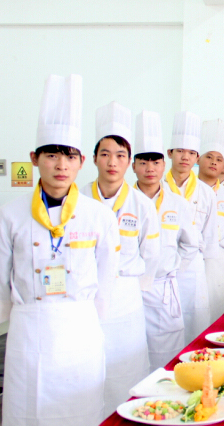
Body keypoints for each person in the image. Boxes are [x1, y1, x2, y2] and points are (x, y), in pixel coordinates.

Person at [0, 74, 120, 425]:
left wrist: (90, 315)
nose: (61, 166)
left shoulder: (98, 216)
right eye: (51, 155)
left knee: (80, 412)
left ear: (81, 162)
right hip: (29, 331)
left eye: (70, 157)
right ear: (34, 159)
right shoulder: (10, 215)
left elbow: (107, 276)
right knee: (26, 413)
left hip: (80, 329)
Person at [82, 101, 159, 415]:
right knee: (88, 372)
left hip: (127, 298)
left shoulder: (142, 205)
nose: (112, 162)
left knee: (126, 373)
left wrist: (133, 287)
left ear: (130, 161)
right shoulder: (79, 199)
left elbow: (151, 255)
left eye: (120, 155)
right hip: (86, 298)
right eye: (105, 154)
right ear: (93, 158)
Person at [133, 110, 199, 371]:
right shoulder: (126, 202)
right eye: (143, 162)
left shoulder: (177, 203)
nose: (150, 169)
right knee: (131, 356)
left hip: (164, 290)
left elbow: (191, 244)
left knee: (167, 357)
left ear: (163, 164)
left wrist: (173, 269)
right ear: (133, 165)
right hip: (131, 291)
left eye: (155, 162)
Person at [164, 111, 217, 344]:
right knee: (166, 331)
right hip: (163, 269)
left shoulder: (206, 193)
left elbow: (210, 236)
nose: (185, 157)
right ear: (170, 153)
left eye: (191, 153)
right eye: (180, 151)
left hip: (194, 268)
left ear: (197, 157)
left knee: (196, 326)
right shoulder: (158, 187)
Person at [196, 119, 224, 321]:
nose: (214, 162)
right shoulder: (187, 192)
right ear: (198, 159)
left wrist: (218, 247)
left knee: (216, 313)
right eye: (209, 157)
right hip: (190, 262)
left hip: (218, 263)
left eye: (219, 159)